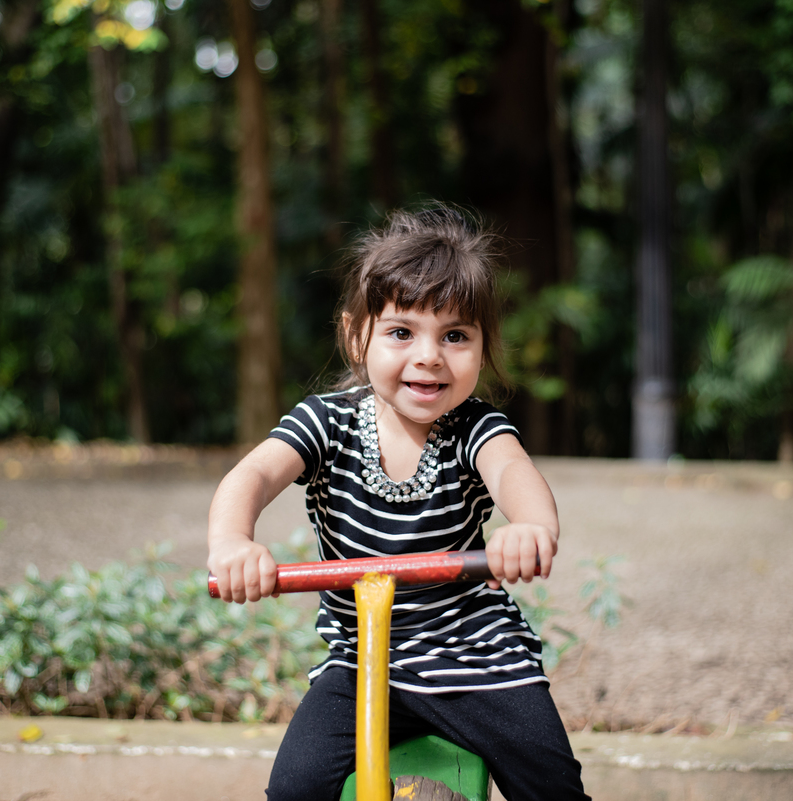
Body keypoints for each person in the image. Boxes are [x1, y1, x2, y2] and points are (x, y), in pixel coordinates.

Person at [207, 205, 590, 801]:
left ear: (483, 346)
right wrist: (233, 541)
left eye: (455, 336)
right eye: (402, 332)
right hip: (360, 661)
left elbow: (513, 471)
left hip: (473, 656)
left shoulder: (474, 428)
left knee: (553, 786)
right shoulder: (326, 422)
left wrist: (530, 526)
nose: (430, 355)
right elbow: (253, 474)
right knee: (294, 790)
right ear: (356, 336)